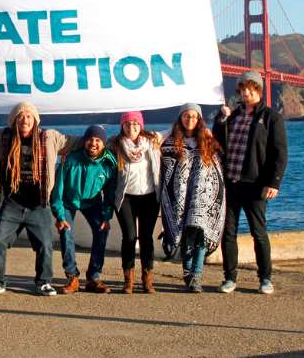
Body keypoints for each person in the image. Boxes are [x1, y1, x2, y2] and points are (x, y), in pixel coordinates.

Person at [0, 102, 78, 296]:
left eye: (29, 116)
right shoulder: (3, 137)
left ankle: (43, 282)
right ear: (14, 120)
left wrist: (104, 138)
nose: (25, 120)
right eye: (20, 116)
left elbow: (78, 142)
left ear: (35, 120)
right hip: (13, 201)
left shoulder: (49, 137)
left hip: (39, 203)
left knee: (45, 245)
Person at [213, 70, 288, 295]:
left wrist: (274, 182)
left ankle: (265, 278)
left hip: (255, 184)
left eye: (250, 89)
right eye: (243, 89)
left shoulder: (271, 117)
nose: (246, 93)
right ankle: (230, 278)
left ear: (258, 90)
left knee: (258, 232)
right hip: (231, 182)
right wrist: (221, 119)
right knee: (228, 232)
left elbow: (280, 153)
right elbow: (217, 142)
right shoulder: (233, 115)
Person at [160, 103, 226, 292]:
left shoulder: (208, 141)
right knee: (185, 236)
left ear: (199, 119)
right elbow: (166, 169)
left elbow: (217, 167)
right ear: (180, 118)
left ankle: (196, 275)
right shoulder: (170, 142)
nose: (190, 120)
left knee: (201, 236)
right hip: (180, 197)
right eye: (186, 116)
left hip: (203, 198)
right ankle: (188, 273)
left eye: (194, 116)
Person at [51, 125, 117, 294]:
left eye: (98, 140)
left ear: (103, 143)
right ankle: (72, 277)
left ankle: (93, 278)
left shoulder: (109, 165)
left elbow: (109, 195)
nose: (93, 143)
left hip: (93, 203)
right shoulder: (70, 160)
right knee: (66, 231)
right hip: (68, 202)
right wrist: (59, 216)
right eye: (90, 139)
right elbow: (57, 190)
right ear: (84, 141)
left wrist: (106, 216)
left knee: (101, 230)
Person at [110, 111, 162, 294]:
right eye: (127, 124)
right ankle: (128, 279)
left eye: (135, 124)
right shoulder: (115, 144)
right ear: (122, 126)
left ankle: (147, 278)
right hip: (126, 198)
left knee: (146, 238)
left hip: (149, 196)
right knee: (130, 237)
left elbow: (175, 133)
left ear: (141, 125)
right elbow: (95, 145)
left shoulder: (153, 141)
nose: (131, 127)